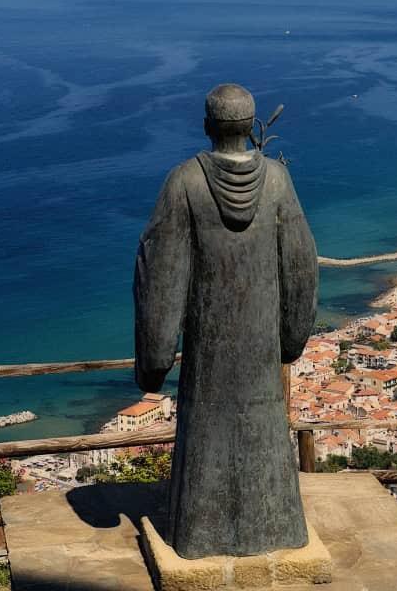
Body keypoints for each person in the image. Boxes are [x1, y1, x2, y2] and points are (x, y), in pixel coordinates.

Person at [133, 84, 318, 559]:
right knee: (264, 434)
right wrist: (292, 339)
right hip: (260, 348)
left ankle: (201, 534)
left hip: (208, 351)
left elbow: (161, 275)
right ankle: (276, 530)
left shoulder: (184, 182)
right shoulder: (277, 181)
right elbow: (300, 266)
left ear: (208, 126)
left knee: (206, 440)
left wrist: (154, 362)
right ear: (249, 127)